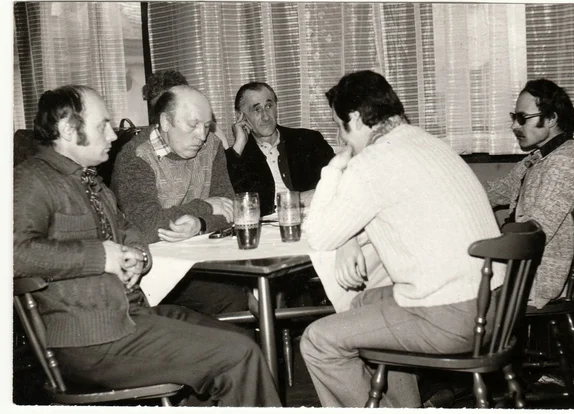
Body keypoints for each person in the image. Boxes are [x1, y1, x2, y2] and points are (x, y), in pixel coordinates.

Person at [13, 85, 281, 407]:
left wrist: (138, 254)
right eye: (102, 126)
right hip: (89, 339)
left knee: (240, 338)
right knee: (238, 355)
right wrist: (100, 257)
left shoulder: (88, 179)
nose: (113, 135)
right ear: (69, 130)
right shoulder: (32, 179)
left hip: (129, 315)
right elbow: (13, 254)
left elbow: (127, 226)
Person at [299, 70, 504, 408]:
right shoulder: (427, 143)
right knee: (362, 302)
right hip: (495, 306)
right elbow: (372, 216)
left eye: (340, 127)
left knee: (318, 341)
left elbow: (319, 235)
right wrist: (348, 239)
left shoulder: (374, 161)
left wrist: (334, 168)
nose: (342, 138)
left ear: (354, 119)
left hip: (452, 316)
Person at [112, 84, 248, 315]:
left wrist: (200, 224)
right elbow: (147, 228)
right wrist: (204, 206)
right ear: (165, 122)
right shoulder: (136, 158)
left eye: (206, 126)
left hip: (203, 257)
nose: (202, 135)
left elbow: (230, 209)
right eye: (193, 125)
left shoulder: (212, 146)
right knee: (236, 298)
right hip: (155, 268)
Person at [484, 78, 574, 309]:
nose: (514, 126)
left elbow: (535, 231)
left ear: (550, 119)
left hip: (536, 278)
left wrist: (486, 242)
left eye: (522, 118)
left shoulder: (566, 162)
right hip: (521, 267)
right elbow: (496, 190)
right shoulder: (539, 158)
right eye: (514, 117)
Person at [225, 82, 335, 216]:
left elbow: (339, 180)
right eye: (257, 109)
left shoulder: (308, 140)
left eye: (269, 106)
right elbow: (231, 200)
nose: (266, 116)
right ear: (240, 116)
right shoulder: (238, 156)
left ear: (276, 107)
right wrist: (239, 144)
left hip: (313, 220)